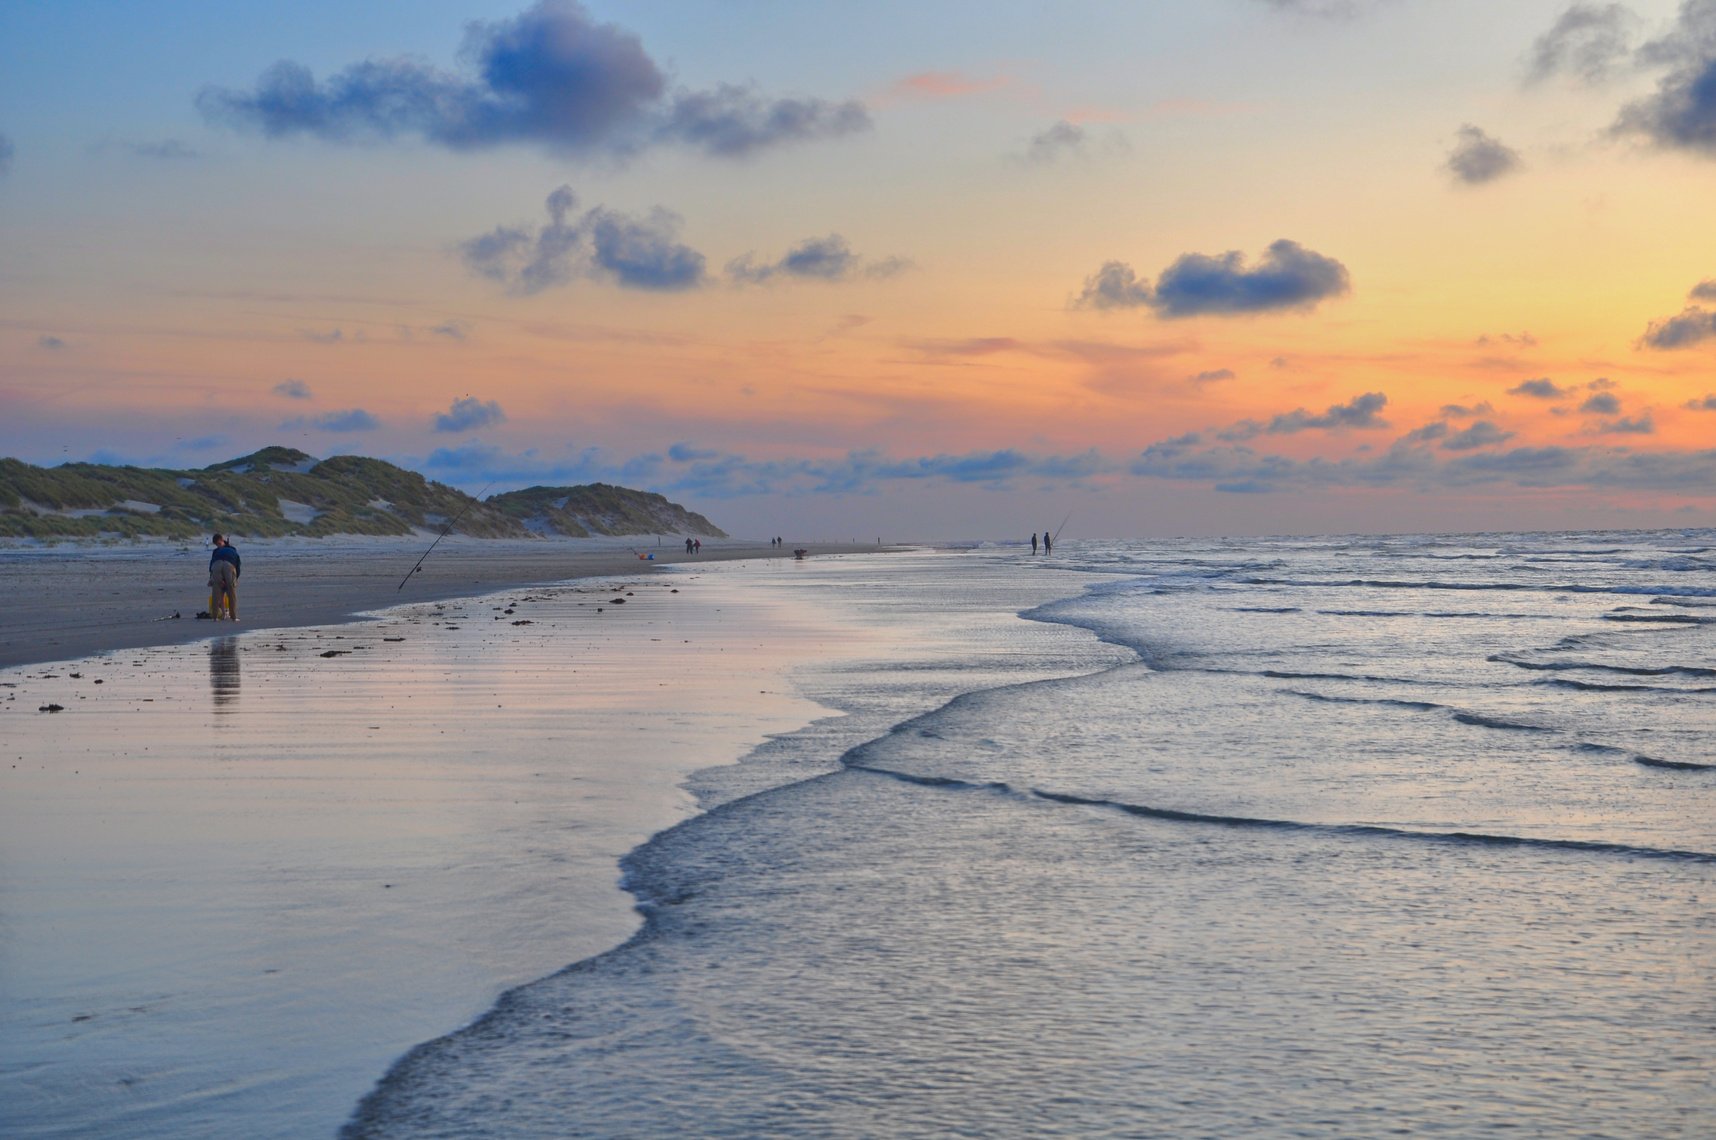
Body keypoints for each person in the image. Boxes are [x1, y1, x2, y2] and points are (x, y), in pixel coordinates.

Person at [209, 533, 241, 621]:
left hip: (217, 565)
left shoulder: (215, 551)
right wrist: (236, 578)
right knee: (231, 592)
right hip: (229, 565)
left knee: (216, 592)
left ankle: (215, 617)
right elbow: (238, 564)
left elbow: (211, 565)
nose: (218, 546)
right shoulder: (233, 549)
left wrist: (212, 578)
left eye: (218, 544)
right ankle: (233, 617)